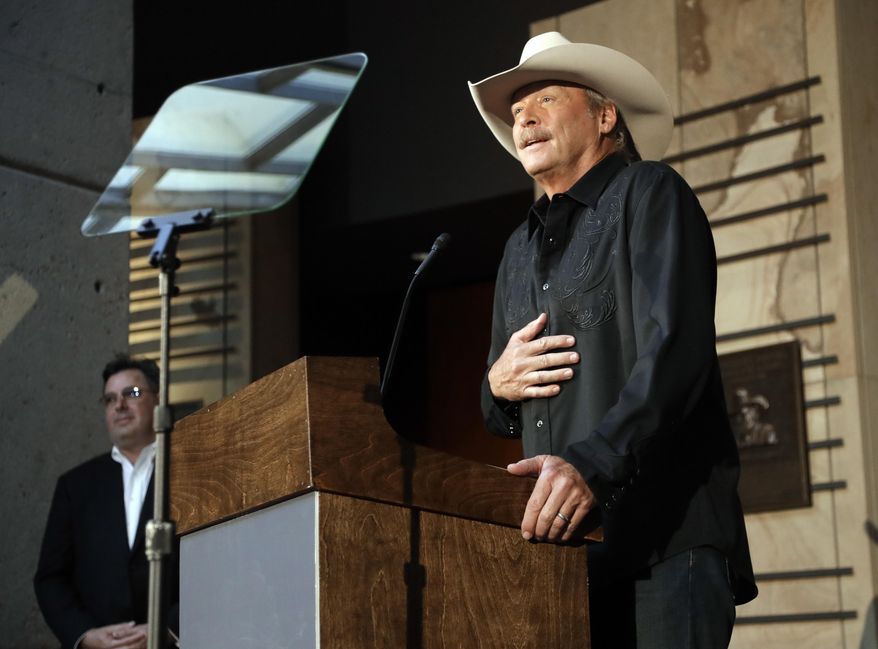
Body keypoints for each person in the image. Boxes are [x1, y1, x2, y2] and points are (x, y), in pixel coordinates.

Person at [470, 32, 757, 648]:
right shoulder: (516, 251)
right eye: (518, 111)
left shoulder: (650, 192)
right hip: (566, 558)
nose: (524, 117)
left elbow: (677, 351)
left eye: (546, 98)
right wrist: (496, 386)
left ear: (605, 116)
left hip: (666, 541)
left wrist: (591, 466)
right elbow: (500, 413)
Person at [34, 355, 177, 649]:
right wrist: (85, 635)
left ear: (158, 400)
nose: (119, 405)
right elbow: (51, 578)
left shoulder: (189, 470)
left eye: (132, 394)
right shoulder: (75, 485)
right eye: (110, 399)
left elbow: (212, 563)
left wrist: (170, 629)